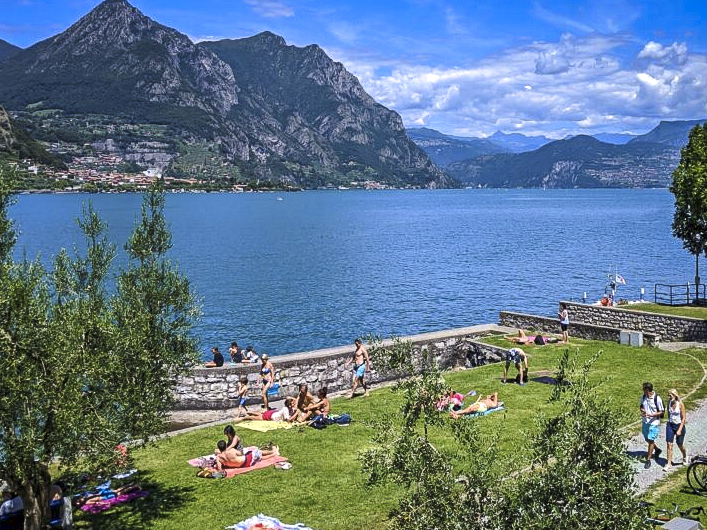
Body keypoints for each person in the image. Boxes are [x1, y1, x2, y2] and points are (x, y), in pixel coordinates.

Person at [640, 382, 665, 469]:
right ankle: (657, 449)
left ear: (648, 390)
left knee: (650, 441)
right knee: (647, 438)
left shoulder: (657, 398)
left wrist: (651, 415)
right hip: (645, 422)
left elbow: (662, 411)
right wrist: (643, 411)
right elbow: (641, 406)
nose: (643, 390)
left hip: (653, 423)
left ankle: (648, 460)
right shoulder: (643, 396)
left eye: (644, 389)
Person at [215, 441, 280, 471]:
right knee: (258, 452)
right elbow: (241, 453)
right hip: (247, 461)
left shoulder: (218, 457)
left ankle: (273, 453)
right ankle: (273, 453)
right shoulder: (231, 451)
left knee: (259, 458)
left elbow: (219, 469)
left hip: (242, 465)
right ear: (226, 446)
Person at [664, 388, 687, 470]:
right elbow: (669, 413)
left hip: (679, 425)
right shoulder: (669, 403)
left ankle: (684, 455)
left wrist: (679, 429)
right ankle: (669, 463)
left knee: (679, 444)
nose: (669, 397)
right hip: (670, 425)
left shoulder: (680, 404)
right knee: (669, 444)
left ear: (674, 395)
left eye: (670, 395)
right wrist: (669, 422)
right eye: (669, 396)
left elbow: (683, 418)